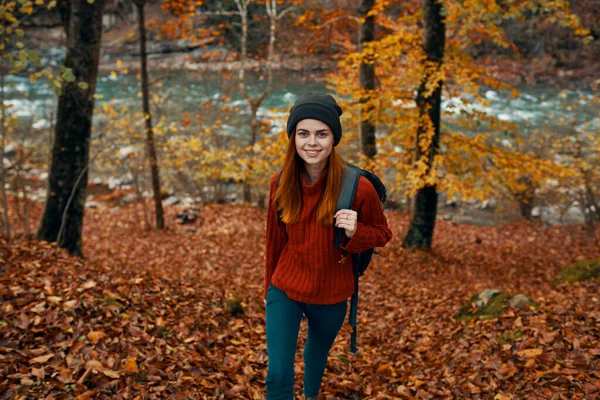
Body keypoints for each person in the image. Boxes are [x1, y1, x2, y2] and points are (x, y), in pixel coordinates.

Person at [264, 92, 393, 400]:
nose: (312, 142)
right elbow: (274, 242)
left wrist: (355, 233)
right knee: (278, 373)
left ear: (333, 138)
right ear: (293, 137)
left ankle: (310, 395)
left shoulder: (358, 186)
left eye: (321, 134)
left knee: (315, 359)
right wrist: (268, 291)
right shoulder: (280, 183)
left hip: (332, 293)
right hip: (286, 288)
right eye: (303, 133)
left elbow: (382, 233)